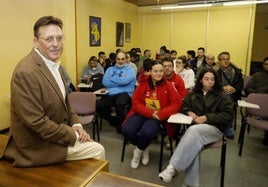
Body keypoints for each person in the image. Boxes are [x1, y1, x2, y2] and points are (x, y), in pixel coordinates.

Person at [4, 16, 105, 167]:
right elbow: (36, 122)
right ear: (35, 42)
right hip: (37, 146)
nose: (56, 44)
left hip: (53, 135)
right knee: (98, 150)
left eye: (59, 38)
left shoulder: (54, 65)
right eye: (49, 39)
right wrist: (74, 135)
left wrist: (76, 124)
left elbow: (66, 103)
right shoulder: (25, 72)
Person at [159, 68, 233, 186]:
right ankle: (191, 184)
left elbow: (228, 115)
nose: (210, 82)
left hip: (215, 129)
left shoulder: (221, 95)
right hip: (196, 131)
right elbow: (183, 105)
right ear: (200, 80)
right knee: (194, 147)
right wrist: (189, 112)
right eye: (207, 79)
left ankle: (172, 168)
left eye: (213, 79)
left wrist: (207, 117)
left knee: (193, 131)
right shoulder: (194, 93)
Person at [121, 60, 182, 169]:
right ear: (150, 72)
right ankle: (143, 146)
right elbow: (135, 102)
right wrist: (150, 113)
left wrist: (161, 114)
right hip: (142, 113)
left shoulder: (168, 85)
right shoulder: (143, 84)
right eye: (156, 71)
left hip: (158, 117)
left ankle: (138, 153)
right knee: (127, 130)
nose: (159, 73)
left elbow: (177, 103)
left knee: (146, 133)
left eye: (161, 71)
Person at [96, 51, 136, 133]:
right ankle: (114, 121)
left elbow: (124, 81)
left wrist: (112, 79)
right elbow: (105, 82)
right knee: (98, 105)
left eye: (122, 59)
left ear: (126, 60)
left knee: (119, 103)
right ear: (115, 59)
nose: (120, 61)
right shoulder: (110, 69)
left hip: (125, 93)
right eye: (118, 59)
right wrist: (120, 82)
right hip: (112, 94)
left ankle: (121, 127)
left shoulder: (130, 70)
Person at [217, 51, 243, 139]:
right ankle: (223, 126)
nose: (226, 61)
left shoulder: (237, 71)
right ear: (219, 61)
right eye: (223, 59)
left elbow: (240, 85)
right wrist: (222, 88)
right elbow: (211, 84)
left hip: (232, 94)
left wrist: (234, 89)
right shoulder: (215, 71)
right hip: (217, 95)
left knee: (229, 99)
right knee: (227, 99)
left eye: (228, 59)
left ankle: (227, 127)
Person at [244, 56, 268, 145]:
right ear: (263, 65)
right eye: (266, 64)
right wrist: (258, 95)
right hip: (260, 102)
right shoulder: (257, 76)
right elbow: (248, 88)